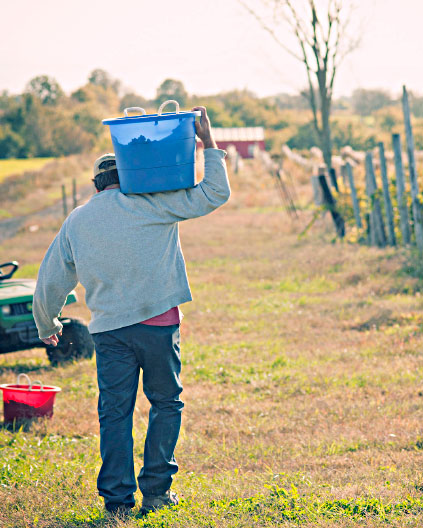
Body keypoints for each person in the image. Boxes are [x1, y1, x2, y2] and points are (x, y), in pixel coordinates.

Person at [32, 106, 230, 517]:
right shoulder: (152, 202)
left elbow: (52, 277)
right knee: (166, 403)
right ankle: (157, 491)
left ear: (95, 184)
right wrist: (208, 143)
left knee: (115, 414)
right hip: (158, 325)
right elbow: (214, 193)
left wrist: (46, 322)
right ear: (130, 174)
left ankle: (117, 504)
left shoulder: (78, 219)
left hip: (109, 333)